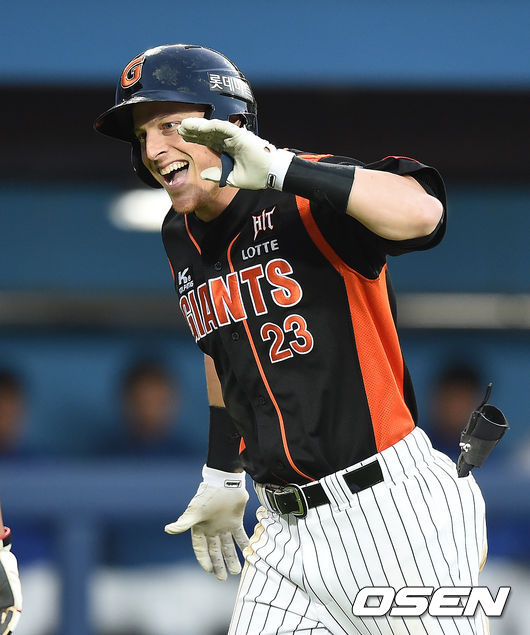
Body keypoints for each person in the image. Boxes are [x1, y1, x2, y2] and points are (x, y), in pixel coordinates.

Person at [95, 44, 488, 634]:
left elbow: (423, 215)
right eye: (143, 134)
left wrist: (283, 168)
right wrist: (222, 471)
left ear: (227, 121)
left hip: (387, 509)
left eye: (171, 124)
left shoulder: (306, 190)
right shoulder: (179, 232)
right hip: (281, 530)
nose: (153, 149)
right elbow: (222, 345)